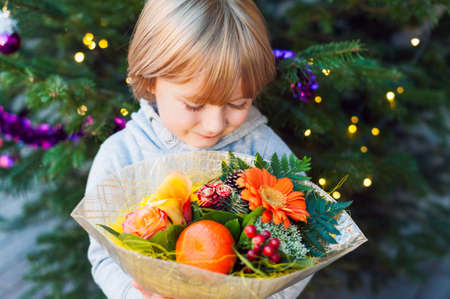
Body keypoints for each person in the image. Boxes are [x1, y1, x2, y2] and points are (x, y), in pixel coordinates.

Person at [85, 0, 313, 298]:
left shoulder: (264, 150)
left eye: (238, 103)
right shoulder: (122, 156)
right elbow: (103, 256)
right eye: (194, 104)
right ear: (151, 80)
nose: (214, 124)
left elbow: (303, 249)